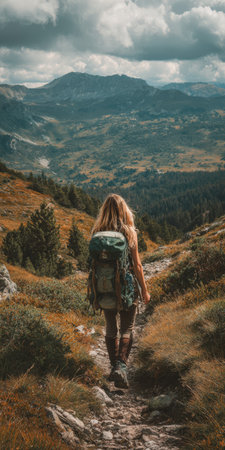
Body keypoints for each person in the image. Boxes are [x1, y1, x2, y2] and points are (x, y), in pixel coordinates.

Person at [90, 193, 150, 388]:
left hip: (104, 288)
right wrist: (144, 290)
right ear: (123, 210)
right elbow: (138, 265)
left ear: (104, 210)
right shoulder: (129, 231)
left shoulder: (97, 232)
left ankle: (113, 366)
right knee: (127, 328)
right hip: (126, 288)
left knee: (110, 328)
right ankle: (121, 367)